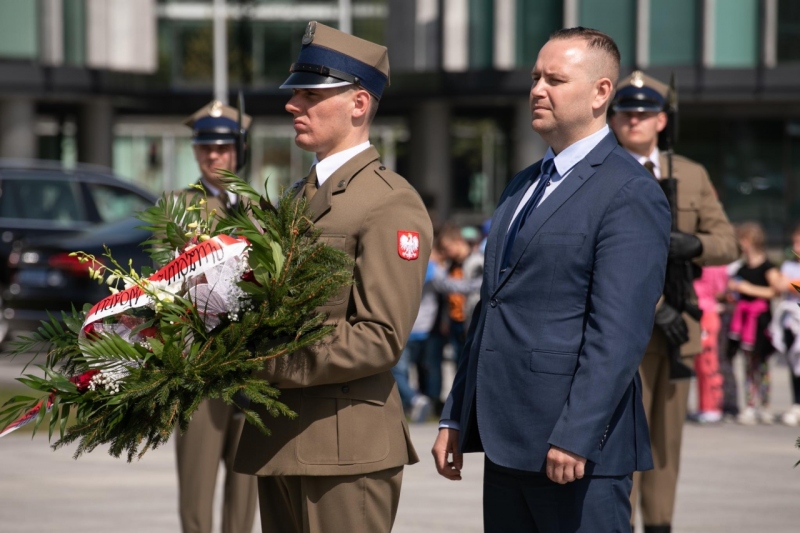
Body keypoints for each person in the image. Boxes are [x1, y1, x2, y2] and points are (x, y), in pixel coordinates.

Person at [432, 27, 671, 532]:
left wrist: (577, 433)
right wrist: (456, 414)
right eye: (536, 77)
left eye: (556, 79)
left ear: (601, 93)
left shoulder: (628, 191)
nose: (538, 89)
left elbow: (619, 332)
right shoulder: (523, 183)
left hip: (575, 451)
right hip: (506, 441)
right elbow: (492, 308)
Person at [233, 22, 433, 533]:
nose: (292, 105)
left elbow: (379, 338)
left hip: (346, 450)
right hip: (279, 441)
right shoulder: (297, 198)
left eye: (310, 94)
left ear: (359, 104)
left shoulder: (390, 201)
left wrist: (267, 359)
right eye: (295, 93)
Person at [608, 70, 738, 533]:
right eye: (625, 113)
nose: (634, 121)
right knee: (623, 445)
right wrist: (653, 305)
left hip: (680, 330)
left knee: (666, 444)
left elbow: (727, 242)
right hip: (628, 334)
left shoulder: (690, 174)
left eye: (644, 114)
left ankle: (660, 524)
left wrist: (691, 245)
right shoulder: (602, 171)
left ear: (663, 121)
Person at [175, 100, 258, 533]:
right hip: (200, 363)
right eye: (205, 147)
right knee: (197, 489)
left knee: (245, 493)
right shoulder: (178, 205)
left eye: (223, 147)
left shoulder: (257, 205)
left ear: (238, 151)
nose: (213, 156)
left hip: (250, 364)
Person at [727, 222, 780, 425]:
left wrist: (749, 289)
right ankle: (750, 404)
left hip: (761, 322)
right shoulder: (740, 268)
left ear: (748, 241)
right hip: (744, 321)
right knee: (749, 365)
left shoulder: (768, 267)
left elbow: (775, 292)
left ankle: (764, 406)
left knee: (764, 365)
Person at [770, 224, 800, 426]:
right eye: (794, 242)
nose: (795, 246)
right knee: (793, 365)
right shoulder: (788, 265)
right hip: (790, 322)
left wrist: (788, 284)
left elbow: (788, 285)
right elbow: (778, 285)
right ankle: (796, 404)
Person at [690, 265, 729, 424]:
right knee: (700, 364)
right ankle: (705, 406)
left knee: (708, 362)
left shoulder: (712, 263)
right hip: (702, 311)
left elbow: (719, 288)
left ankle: (713, 407)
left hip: (705, 312)